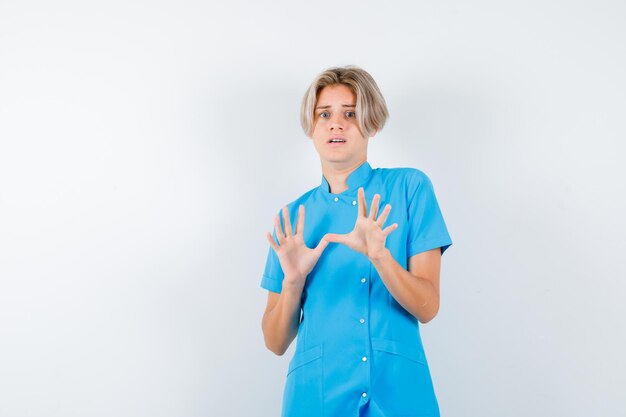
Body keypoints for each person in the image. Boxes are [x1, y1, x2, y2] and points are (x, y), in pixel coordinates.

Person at [260, 66, 453, 417]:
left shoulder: (409, 189)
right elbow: (274, 342)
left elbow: (428, 307)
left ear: (372, 123)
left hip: (398, 393)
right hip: (315, 398)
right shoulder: (293, 219)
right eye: (325, 114)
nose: (337, 124)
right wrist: (292, 282)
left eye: (350, 113)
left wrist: (380, 256)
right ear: (312, 127)